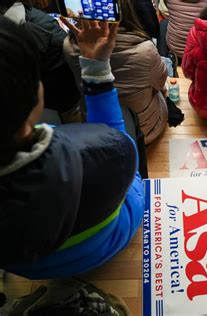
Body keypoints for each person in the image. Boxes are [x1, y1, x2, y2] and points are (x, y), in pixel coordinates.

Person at [0, 16, 144, 279]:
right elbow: (120, 153)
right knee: (130, 149)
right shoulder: (100, 150)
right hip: (106, 242)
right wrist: (96, 69)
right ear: (35, 96)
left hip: (29, 268)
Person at [64, 0, 168, 144]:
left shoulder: (68, 46)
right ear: (128, 11)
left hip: (95, 125)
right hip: (145, 130)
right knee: (162, 88)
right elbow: (161, 82)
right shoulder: (146, 50)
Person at [0, 0, 81, 122]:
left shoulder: (18, 26)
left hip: (51, 96)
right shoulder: (33, 22)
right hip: (60, 94)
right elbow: (70, 47)